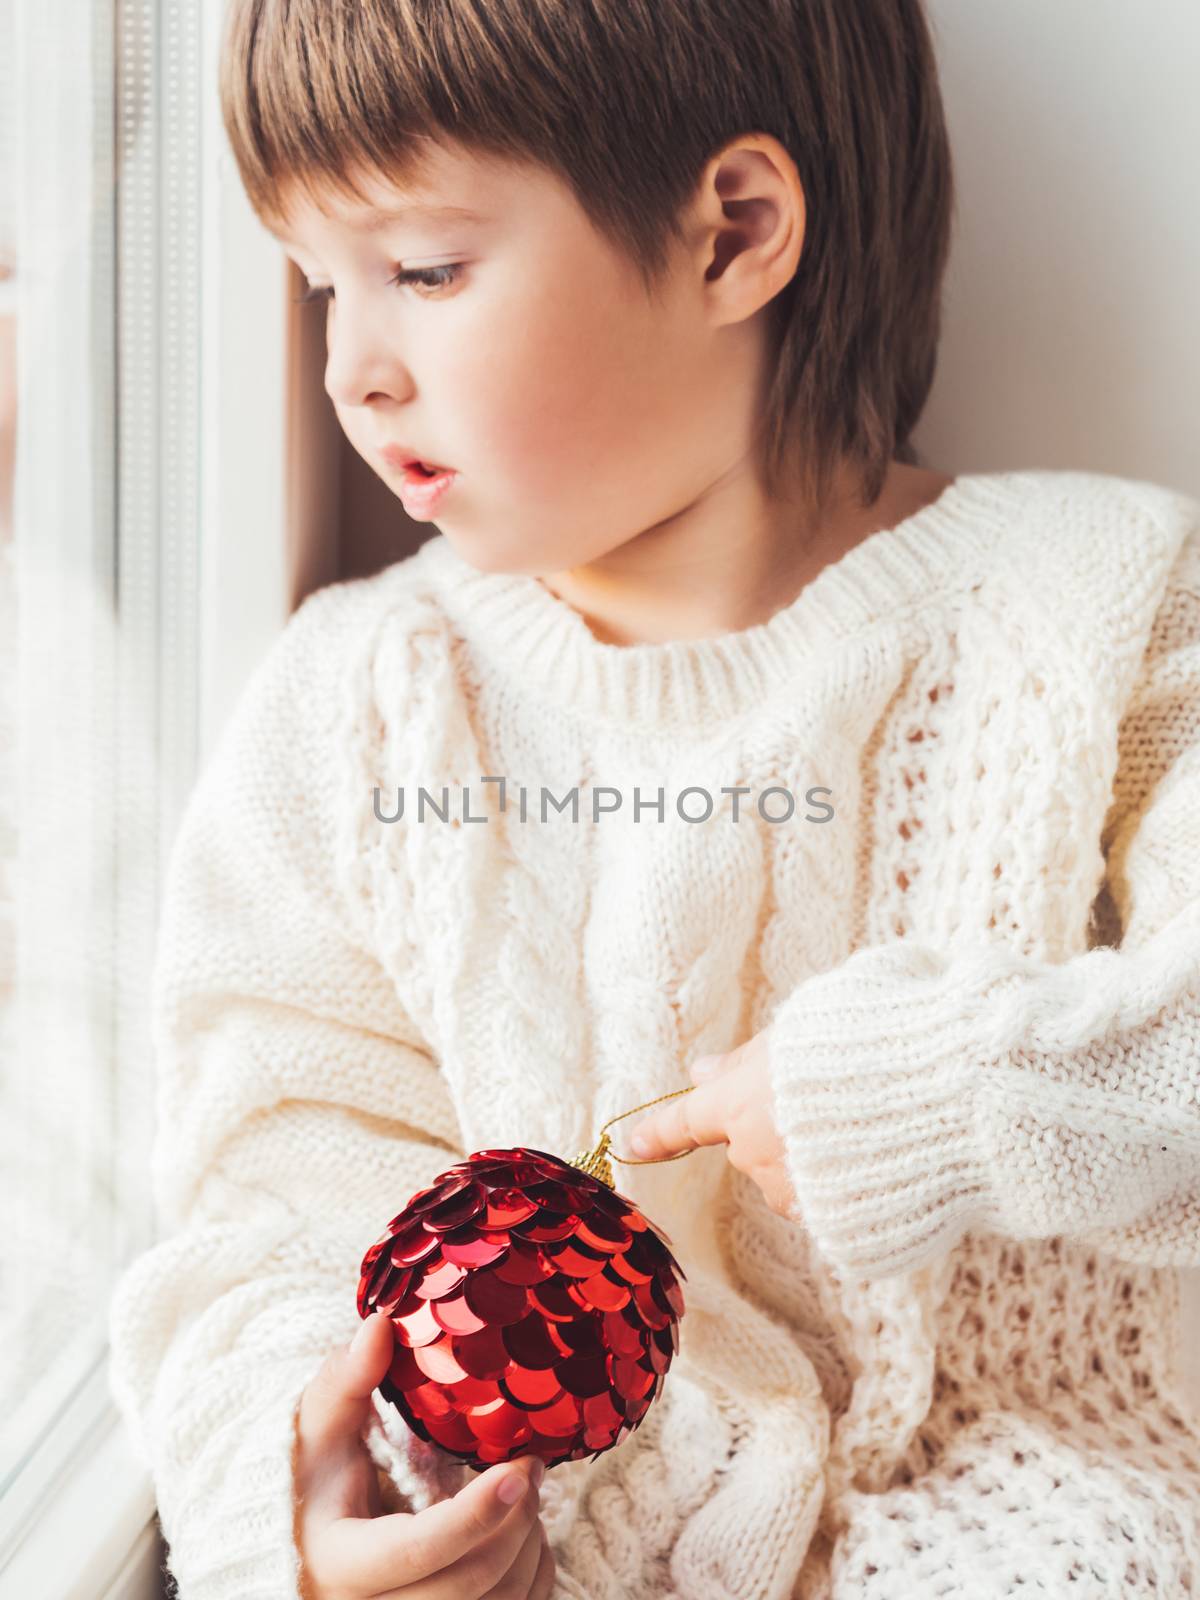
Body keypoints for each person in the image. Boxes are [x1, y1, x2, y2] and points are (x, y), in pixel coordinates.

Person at [107, 1, 1200, 1596]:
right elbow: (263, 1207)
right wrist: (306, 1511)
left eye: (422, 270)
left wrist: (932, 1092)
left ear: (733, 234)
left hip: (1057, 1540)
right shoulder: (354, 703)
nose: (352, 370)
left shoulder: (1109, 604)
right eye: (315, 282)